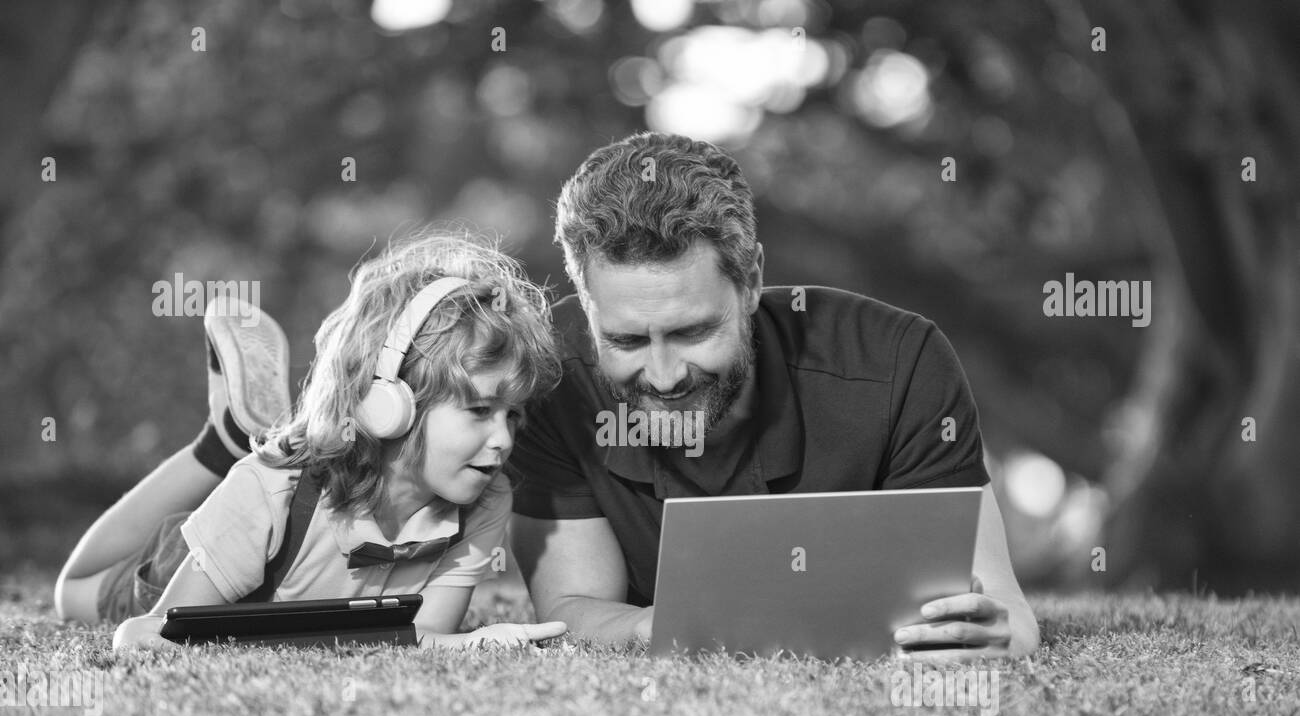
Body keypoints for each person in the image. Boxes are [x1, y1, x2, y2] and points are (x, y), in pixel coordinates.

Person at [507, 131, 1040, 661]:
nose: (665, 377)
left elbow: (1001, 612)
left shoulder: (900, 360)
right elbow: (572, 609)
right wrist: (674, 627)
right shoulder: (553, 384)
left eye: (693, 333)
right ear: (587, 303)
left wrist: (992, 634)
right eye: (625, 340)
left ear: (753, 280)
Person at [55, 230, 567, 652]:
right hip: (210, 557)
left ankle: (236, 438)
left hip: (256, 543)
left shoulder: (484, 498)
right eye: (479, 410)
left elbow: (421, 636)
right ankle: (222, 445)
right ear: (386, 405)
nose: (502, 439)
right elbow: (158, 635)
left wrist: (474, 644)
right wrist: (144, 632)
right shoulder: (271, 493)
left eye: (514, 415)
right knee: (72, 594)